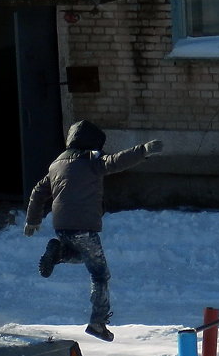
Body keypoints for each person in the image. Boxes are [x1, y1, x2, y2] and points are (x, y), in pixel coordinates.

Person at [23, 120, 163, 342]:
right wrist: (143, 150)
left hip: (62, 226)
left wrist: (33, 220)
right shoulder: (91, 160)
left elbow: (38, 191)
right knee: (99, 274)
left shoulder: (56, 165)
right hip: (84, 226)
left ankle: (58, 252)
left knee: (81, 256)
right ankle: (98, 323)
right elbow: (116, 161)